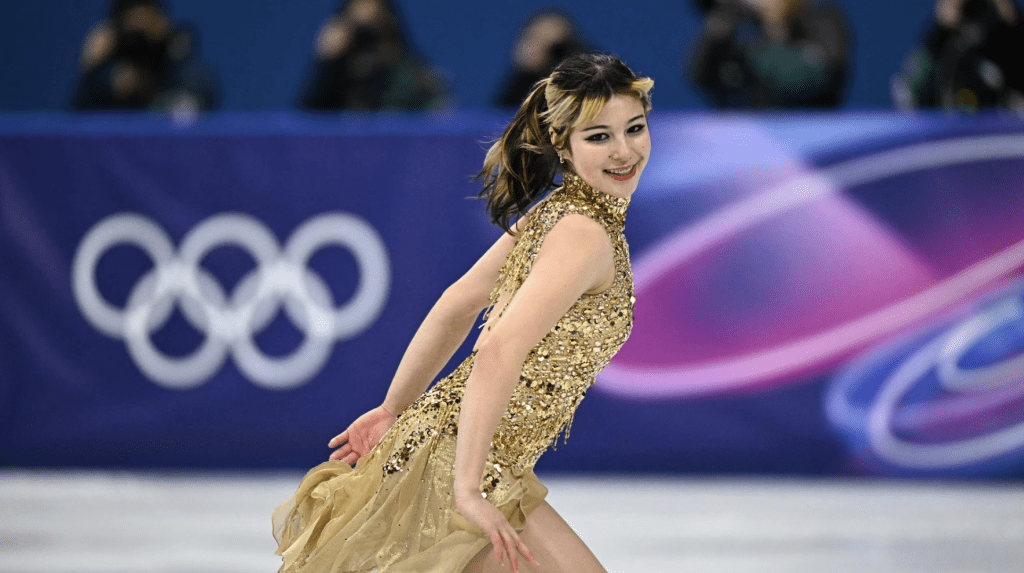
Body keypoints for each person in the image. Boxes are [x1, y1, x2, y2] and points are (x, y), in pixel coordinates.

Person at [273, 53, 653, 573]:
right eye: (599, 136)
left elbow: (458, 302)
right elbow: (497, 348)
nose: (624, 150)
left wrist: (393, 407)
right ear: (562, 145)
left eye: (635, 128)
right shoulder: (583, 234)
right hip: (467, 469)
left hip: (458, 454)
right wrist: (469, 488)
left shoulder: (558, 213)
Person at [688, 0, 850, 109]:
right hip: (745, 139)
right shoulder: (742, 33)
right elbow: (702, 77)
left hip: (808, 136)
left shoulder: (822, 19)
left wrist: (756, 55)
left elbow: (823, 71)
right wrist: (718, 30)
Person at [70, 0, 217, 112]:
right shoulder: (109, 57)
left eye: (147, 18)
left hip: (160, 136)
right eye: (132, 21)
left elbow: (201, 96)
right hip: (111, 133)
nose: (139, 37)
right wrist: (93, 68)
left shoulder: (174, 48)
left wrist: (148, 87)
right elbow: (78, 116)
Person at [299, 0, 448, 111]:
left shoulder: (413, 76)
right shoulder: (337, 73)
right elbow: (309, 115)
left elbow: (438, 112)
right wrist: (326, 62)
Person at [892, 0, 1024, 112]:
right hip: (944, 115)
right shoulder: (944, 33)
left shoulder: (1006, 25)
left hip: (1002, 112)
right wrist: (943, 26)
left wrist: (1012, 19)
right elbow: (908, 84)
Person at [494, 11, 591, 108]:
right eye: (533, 37)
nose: (535, 48)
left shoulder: (586, 88)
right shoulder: (518, 87)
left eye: (557, 48)